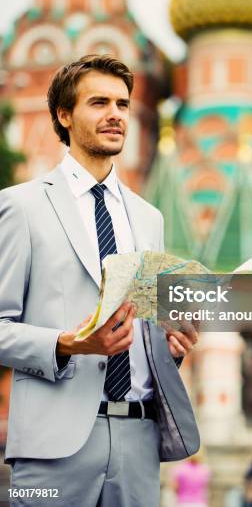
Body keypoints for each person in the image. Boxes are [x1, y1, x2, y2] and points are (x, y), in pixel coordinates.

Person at [0, 54, 200, 507]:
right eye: (99, 102)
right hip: (53, 448)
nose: (115, 114)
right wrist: (70, 344)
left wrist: (169, 348)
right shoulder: (22, 207)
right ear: (64, 116)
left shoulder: (150, 218)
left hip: (139, 441)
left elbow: (142, 328)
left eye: (123, 104)